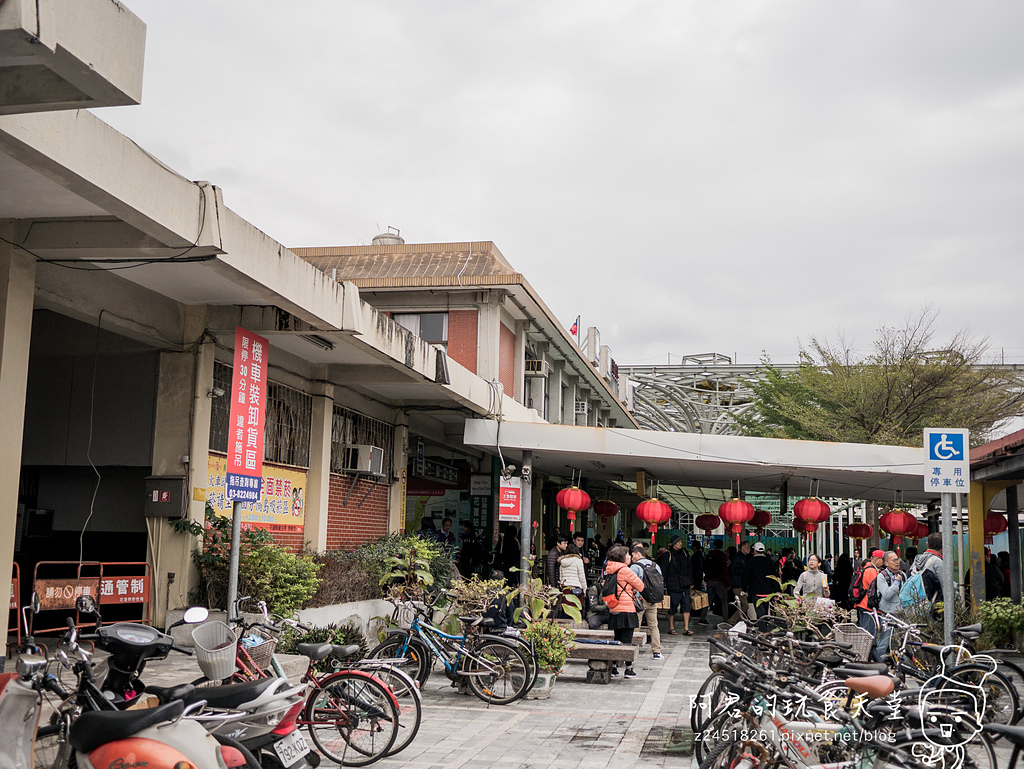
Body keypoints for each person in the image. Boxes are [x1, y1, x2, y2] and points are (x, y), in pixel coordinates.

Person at [604, 543, 644, 678]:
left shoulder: (609, 569)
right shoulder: (625, 570)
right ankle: (629, 669)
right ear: (621, 557)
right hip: (627, 609)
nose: (629, 557)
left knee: (617, 638)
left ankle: (614, 667)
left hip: (614, 608)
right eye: (627, 555)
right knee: (627, 639)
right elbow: (640, 585)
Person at [630, 543, 663, 660]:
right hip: (652, 599)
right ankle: (657, 651)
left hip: (639, 599)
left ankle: (633, 649)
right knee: (654, 626)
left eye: (633, 554)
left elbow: (632, 583)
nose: (631, 557)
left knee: (636, 625)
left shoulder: (635, 567)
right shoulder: (656, 566)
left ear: (638, 554)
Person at [658, 535, 694, 635]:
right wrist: (663, 584)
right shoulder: (667, 555)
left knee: (686, 606)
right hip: (673, 584)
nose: (680, 543)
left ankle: (686, 628)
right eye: (678, 542)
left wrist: (691, 581)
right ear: (673, 543)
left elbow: (690, 567)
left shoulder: (685, 553)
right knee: (672, 606)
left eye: (681, 542)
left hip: (685, 584)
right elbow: (663, 570)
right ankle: (671, 627)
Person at [874, 551, 906, 661]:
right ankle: (878, 663)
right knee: (884, 640)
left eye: (898, 559)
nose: (897, 562)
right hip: (887, 614)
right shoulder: (882, 576)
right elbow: (887, 595)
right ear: (886, 563)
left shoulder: (902, 575)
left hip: (901, 612)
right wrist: (896, 583)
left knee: (903, 641)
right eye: (894, 560)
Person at [855, 550, 885, 661]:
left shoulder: (866, 568)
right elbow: (876, 589)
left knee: (864, 632)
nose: (883, 563)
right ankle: (865, 657)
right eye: (882, 560)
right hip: (868, 606)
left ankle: (863, 656)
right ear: (876, 559)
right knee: (868, 634)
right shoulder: (872, 571)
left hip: (863, 604)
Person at [743, 542, 779, 627]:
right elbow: (774, 577)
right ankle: (764, 628)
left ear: (754, 550)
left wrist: (744, 589)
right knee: (765, 611)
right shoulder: (769, 562)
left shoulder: (751, 562)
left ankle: (762, 630)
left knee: (759, 612)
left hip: (755, 591)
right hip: (767, 591)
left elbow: (746, 577)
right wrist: (777, 591)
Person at [910, 533, 944, 608]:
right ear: (943, 546)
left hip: (915, 601)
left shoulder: (917, 560)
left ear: (927, 544)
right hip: (933, 603)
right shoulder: (937, 562)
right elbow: (945, 585)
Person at [703, 540, 730, 622]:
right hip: (720, 582)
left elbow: (705, 567)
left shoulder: (709, 555)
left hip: (710, 581)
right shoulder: (722, 556)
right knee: (724, 602)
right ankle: (725, 619)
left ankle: (702, 618)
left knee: (707, 601)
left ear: (714, 545)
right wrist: (728, 583)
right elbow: (725, 570)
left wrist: (707, 578)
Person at [558, 542, 587, 616]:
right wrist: (584, 589)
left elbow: (561, 576)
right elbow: (581, 576)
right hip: (576, 588)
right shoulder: (578, 561)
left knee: (566, 610)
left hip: (566, 588)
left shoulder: (562, 561)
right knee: (576, 611)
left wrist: (562, 586)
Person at [729, 541, 751, 621]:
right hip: (738, 584)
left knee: (742, 604)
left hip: (742, 585)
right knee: (745, 605)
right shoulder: (737, 557)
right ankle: (732, 620)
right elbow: (733, 570)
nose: (749, 549)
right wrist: (745, 571)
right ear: (742, 547)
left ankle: (739, 621)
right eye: (747, 547)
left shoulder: (744, 558)